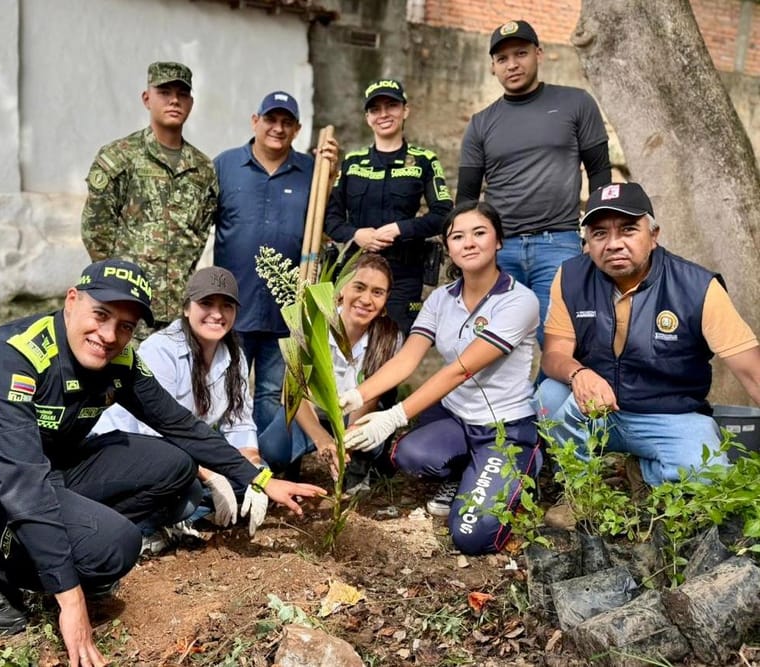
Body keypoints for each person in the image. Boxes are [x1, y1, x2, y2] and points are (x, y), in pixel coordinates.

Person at [0, 258, 324, 667]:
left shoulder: (120, 360)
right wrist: (71, 601)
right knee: (117, 547)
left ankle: (75, 547)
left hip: (54, 471)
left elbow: (178, 424)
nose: (109, 335)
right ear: (72, 301)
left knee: (174, 462)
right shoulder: (9, 362)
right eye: (101, 314)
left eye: (125, 326)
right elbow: (21, 485)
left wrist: (260, 478)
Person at [339, 201, 542, 555]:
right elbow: (408, 358)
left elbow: (461, 369)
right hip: (457, 418)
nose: (469, 243)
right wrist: (357, 395)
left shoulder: (518, 301)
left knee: (471, 536)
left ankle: (527, 463)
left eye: (479, 233)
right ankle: (468, 473)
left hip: (503, 427)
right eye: (458, 236)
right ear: (447, 247)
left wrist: (394, 415)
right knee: (407, 455)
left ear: (498, 240)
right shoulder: (440, 299)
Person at [535, 182, 760, 496]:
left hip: (667, 417)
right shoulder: (571, 277)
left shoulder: (696, 287)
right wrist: (579, 374)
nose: (613, 244)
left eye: (628, 230)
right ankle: (580, 489)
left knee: (710, 479)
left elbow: (752, 372)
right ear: (587, 241)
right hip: (600, 413)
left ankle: (640, 471)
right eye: (600, 233)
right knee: (549, 394)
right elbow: (554, 354)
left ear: (653, 235)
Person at [457, 19, 611, 344]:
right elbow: (467, 199)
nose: (512, 64)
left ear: (538, 54)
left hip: (560, 245)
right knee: (491, 344)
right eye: (502, 59)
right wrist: (464, 251)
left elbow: (600, 172)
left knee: (563, 343)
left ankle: (545, 397)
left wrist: (595, 234)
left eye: (521, 53)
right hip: (500, 250)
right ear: (493, 67)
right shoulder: (481, 123)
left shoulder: (576, 103)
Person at [92, 267, 269, 536]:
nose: (217, 314)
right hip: (132, 450)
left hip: (187, 455)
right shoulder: (161, 350)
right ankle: (135, 528)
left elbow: (239, 426)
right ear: (186, 308)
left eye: (227, 306)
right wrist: (211, 476)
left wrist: (255, 470)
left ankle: (185, 516)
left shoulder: (235, 357)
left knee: (257, 476)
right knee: (188, 488)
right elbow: (157, 435)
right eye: (206, 303)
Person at [213, 90, 338, 437]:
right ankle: (229, 466)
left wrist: (333, 173)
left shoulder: (312, 173)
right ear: (256, 121)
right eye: (271, 119)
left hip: (287, 307)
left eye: (287, 122)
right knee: (226, 389)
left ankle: (277, 467)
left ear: (297, 129)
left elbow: (327, 224)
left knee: (274, 393)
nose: (278, 128)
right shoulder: (225, 166)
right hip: (233, 303)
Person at [80, 61, 217, 326]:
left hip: (180, 310)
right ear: (147, 98)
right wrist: (116, 285)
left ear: (191, 102)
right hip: (128, 307)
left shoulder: (202, 169)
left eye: (182, 94)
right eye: (164, 92)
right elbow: (96, 230)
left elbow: (199, 233)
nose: (174, 101)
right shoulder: (120, 156)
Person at [262, 253, 403, 491]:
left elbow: (370, 398)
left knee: (369, 438)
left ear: (386, 299)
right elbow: (294, 392)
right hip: (311, 412)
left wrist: (346, 442)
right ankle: (291, 465)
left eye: (377, 292)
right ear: (341, 289)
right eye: (359, 287)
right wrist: (322, 439)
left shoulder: (390, 338)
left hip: (353, 415)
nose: (366, 299)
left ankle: (361, 466)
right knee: (271, 449)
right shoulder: (310, 321)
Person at [324, 78, 454, 333]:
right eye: (375, 109)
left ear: (405, 110)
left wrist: (399, 229)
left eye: (391, 106)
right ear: (367, 117)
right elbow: (330, 218)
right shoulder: (352, 162)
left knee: (393, 348)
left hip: (404, 276)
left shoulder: (425, 160)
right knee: (349, 347)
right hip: (355, 272)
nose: (384, 114)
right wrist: (356, 235)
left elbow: (444, 214)